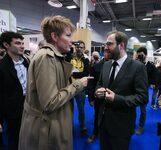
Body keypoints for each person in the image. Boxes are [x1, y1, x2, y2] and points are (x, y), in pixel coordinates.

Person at [18, 15, 93, 150]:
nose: (72, 41)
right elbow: (50, 102)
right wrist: (78, 84)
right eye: (68, 36)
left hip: (49, 127)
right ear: (54, 36)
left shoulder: (54, 57)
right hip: (45, 132)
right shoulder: (47, 58)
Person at [95, 31, 148, 150]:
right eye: (105, 44)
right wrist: (98, 91)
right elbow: (99, 84)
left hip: (122, 126)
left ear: (121, 45)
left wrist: (117, 99)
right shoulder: (106, 64)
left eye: (109, 44)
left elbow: (143, 97)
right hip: (103, 123)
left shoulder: (137, 67)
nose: (105, 47)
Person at [0, 31, 29, 150]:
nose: (22, 46)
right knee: (15, 140)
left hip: (28, 106)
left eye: (22, 43)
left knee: (28, 137)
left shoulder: (26, 61)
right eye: (17, 43)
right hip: (12, 111)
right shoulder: (1, 66)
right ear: (6, 45)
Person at [86, 50, 109, 144]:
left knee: (110, 117)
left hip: (112, 97)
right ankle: (95, 133)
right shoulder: (96, 66)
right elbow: (91, 84)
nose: (108, 53)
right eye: (106, 51)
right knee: (97, 116)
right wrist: (91, 98)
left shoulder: (117, 67)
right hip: (98, 97)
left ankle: (107, 134)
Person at [135, 47, 158, 134]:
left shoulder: (151, 66)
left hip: (144, 91)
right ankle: (131, 124)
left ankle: (141, 126)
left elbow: (154, 78)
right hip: (134, 90)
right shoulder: (135, 64)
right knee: (131, 108)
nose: (140, 56)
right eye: (138, 55)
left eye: (141, 55)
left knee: (143, 110)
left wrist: (148, 83)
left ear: (146, 55)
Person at [70, 40, 90, 135]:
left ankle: (82, 126)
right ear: (75, 47)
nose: (79, 49)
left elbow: (86, 73)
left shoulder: (86, 59)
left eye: (81, 47)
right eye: (78, 47)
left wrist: (73, 74)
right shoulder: (70, 57)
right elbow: (65, 70)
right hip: (69, 87)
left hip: (81, 88)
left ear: (84, 49)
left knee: (81, 109)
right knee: (69, 110)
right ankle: (70, 127)